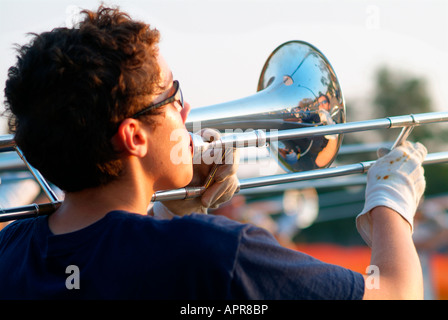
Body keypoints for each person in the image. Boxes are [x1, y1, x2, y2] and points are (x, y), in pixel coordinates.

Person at [0, 5, 426, 300]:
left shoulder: (11, 249)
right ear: (133, 137)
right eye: (172, 96)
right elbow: (394, 293)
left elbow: (111, 257)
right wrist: (391, 202)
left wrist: (169, 212)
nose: (187, 111)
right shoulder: (216, 253)